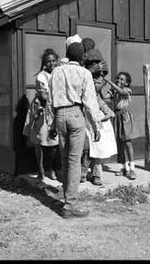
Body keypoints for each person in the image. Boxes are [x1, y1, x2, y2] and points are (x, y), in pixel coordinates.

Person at [46, 42, 101, 219]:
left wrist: (51, 124)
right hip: (76, 114)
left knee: (64, 159)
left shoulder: (56, 72)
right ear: (82, 57)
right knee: (74, 161)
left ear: (67, 56)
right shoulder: (85, 73)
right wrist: (96, 125)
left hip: (60, 114)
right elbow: (91, 102)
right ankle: (69, 206)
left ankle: (66, 199)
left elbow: (49, 100)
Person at [80, 47, 116, 186]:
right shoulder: (84, 75)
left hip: (96, 115)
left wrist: (106, 111)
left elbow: (98, 97)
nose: (97, 82)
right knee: (86, 148)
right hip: (84, 114)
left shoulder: (98, 78)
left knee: (98, 147)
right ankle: (83, 172)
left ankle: (96, 174)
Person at [23, 48, 61, 181]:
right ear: (45, 63)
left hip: (55, 109)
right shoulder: (42, 76)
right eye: (49, 61)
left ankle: (51, 169)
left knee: (54, 142)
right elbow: (44, 96)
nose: (52, 63)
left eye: (54, 61)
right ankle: (40, 170)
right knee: (40, 140)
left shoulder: (59, 73)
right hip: (43, 109)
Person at [104, 72, 139, 180]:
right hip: (117, 116)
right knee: (120, 143)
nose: (119, 80)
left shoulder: (127, 91)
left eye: (122, 79)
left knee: (127, 142)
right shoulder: (114, 91)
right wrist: (100, 85)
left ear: (127, 83)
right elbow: (104, 97)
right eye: (117, 78)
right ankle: (125, 168)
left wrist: (109, 82)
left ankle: (132, 169)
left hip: (125, 116)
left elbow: (121, 91)